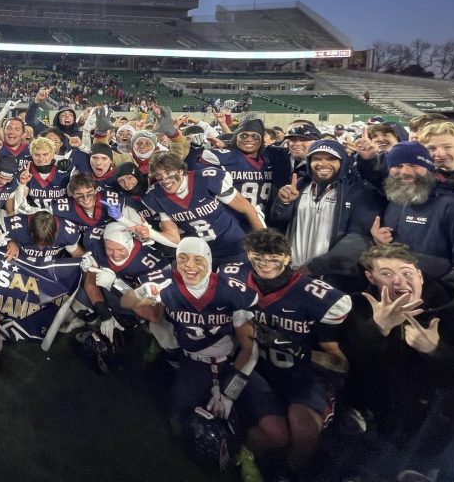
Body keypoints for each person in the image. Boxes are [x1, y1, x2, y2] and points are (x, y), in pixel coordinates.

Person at [121, 238, 289, 474]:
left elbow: (249, 348)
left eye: (197, 260)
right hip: (195, 362)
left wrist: (230, 393)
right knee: (177, 413)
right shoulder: (166, 284)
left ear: (208, 261)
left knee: (276, 432)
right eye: (183, 259)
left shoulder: (232, 291)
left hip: (233, 364)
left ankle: (243, 448)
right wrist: (140, 292)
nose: (190, 266)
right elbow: (126, 301)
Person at [337, 243, 454, 480]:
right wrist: (378, 331)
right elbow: (353, 370)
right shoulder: (357, 308)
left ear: (420, 275)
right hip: (380, 415)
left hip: (439, 420)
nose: (399, 281)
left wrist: (436, 350)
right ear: (371, 278)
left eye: (407, 273)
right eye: (387, 274)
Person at [223, 229, 352, 477]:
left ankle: (289, 472)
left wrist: (294, 347)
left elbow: (339, 363)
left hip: (302, 373)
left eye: (273, 258)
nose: (264, 265)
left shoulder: (313, 294)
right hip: (256, 367)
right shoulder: (235, 275)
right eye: (258, 258)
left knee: (304, 433)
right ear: (249, 255)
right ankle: (243, 449)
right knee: (276, 435)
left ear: (286, 258)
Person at [370, 141, 454, 305]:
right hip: (397, 299)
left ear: (429, 168)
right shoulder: (395, 199)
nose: (405, 172)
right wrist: (379, 244)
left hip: (437, 305)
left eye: (414, 165)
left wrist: (434, 298)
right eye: (397, 166)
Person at [270, 140, 384, 287]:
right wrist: (283, 203)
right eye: (317, 159)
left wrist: (313, 267)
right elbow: (279, 222)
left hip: (332, 277)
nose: (323, 164)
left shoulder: (361, 191)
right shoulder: (299, 186)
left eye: (331, 159)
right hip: (291, 271)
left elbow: (359, 239)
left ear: (343, 162)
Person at [140, 151, 264, 266]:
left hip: (237, 246)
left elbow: (248, 209)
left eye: (168, 173)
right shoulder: (157, 196)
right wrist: (150, 233)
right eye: (159, 175)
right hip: (204, 252)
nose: (164, 180)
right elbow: (174, 238)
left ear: (181, 171)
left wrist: (264, 243)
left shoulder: (207, 179)